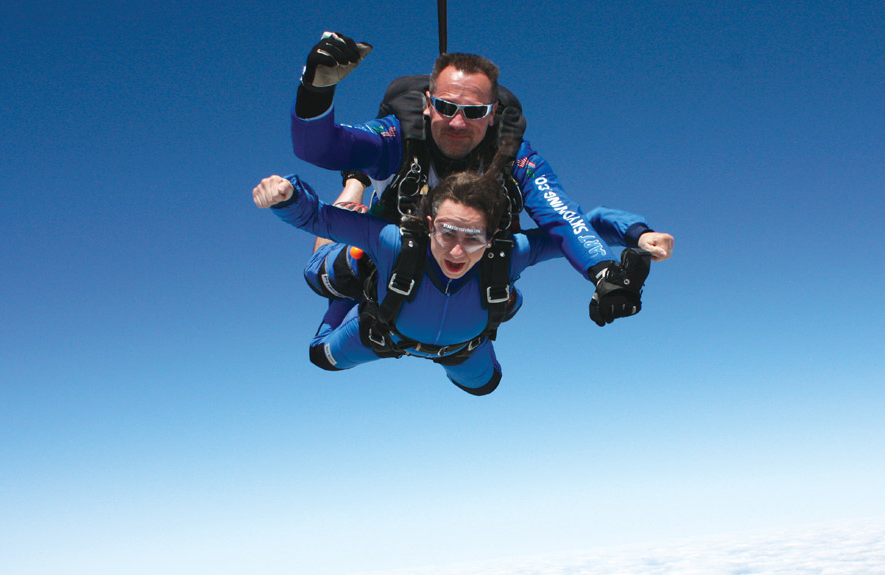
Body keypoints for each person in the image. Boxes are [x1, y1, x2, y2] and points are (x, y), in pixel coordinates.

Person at [291, 32, 674, 327]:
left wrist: (603, 271)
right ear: (427, 105)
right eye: (445, 107)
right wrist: (317, 88)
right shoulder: (398, 138)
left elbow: (563, 217)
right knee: (326, 277)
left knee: (501, 301)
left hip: (462, 263)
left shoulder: (514, 158)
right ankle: (356, 184)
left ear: (493, 115)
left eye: (474, 112)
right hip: (385, 246)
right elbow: (320, 148)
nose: (458, 123)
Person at [252, 148, 652, 395]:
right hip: (380, 333)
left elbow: (587, 225)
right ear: (428, 225)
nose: (458, 250)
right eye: (446, 233)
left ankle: (356, 266)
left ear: (493, 236)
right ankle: (355, 198)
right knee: (321, 342)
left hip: (462, 351)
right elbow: (317, 219)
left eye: (474, 238)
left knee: (487, 386)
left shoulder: (508, 254)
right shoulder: (395, 240)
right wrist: (285, 195)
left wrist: (641, 235)